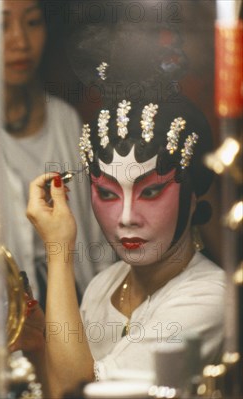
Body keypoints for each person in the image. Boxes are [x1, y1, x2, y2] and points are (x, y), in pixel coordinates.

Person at [22, 96, 225, 397]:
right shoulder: (104, 284)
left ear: (193, 196)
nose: (126, 218)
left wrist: (59, 251)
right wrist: (41, 345)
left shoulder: (212, 298)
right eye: (107, 194)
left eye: (151, 191)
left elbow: (76, 392)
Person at [0, 0, 111, 305]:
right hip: (9, 312)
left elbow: (96, 233)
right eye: (1, 25)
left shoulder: (65, 119)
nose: (20, 41)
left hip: (78, 296)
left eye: (33, 23)